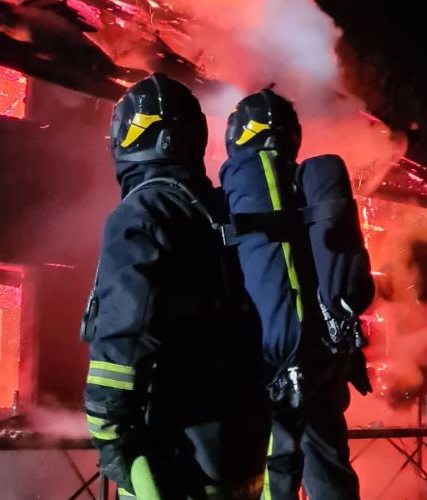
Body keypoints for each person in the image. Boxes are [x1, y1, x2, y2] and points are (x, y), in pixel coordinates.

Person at [81, 73, 266, 499]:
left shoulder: (142, 212)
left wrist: (108, 429)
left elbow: (125, 333)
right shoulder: (222, 212)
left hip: (175, 457)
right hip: (240, 449)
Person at [219, 88, 375, 499]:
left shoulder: (246, 189)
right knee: (330, 469)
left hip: (277, 362)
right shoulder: (310, 185)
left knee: (275, 471)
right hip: (328, 356)